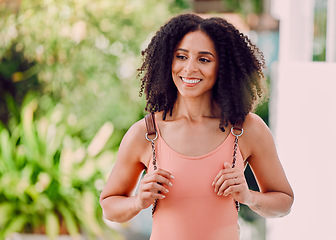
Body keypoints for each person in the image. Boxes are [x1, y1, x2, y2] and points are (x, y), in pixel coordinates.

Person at [100, 13, 294, 240]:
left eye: (204, 59)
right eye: (181, 56)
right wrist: (138, 201)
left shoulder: (247, 129)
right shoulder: (146, 133)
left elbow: (284, 203)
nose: (189, 68)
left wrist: (249, 197)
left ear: (223, 67)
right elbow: (109, 207)